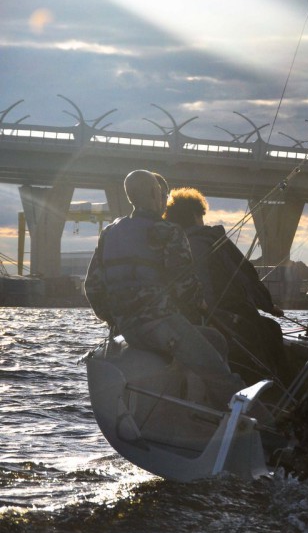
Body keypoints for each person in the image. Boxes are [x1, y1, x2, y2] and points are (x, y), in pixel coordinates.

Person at [84, 170, 241, 408]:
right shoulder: (168, 231)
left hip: (126, 328)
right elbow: (184, 285)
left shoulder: (109, 233)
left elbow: (92, 286)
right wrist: (202, 304)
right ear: (153, 193)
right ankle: (259, 426)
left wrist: (114, 318)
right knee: (219, 372)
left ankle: (195, 406)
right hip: (161, 325)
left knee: (215, 340)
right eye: (160, 193)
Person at [163, 187, 288, 386]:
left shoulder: (168, 244)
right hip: (220, 317)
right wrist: (267, 305)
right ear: (196, 215)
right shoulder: (208, 239)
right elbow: (244, 274)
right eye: (201, 215)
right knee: (269, 329)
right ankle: (278, 386)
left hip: (181, 321)